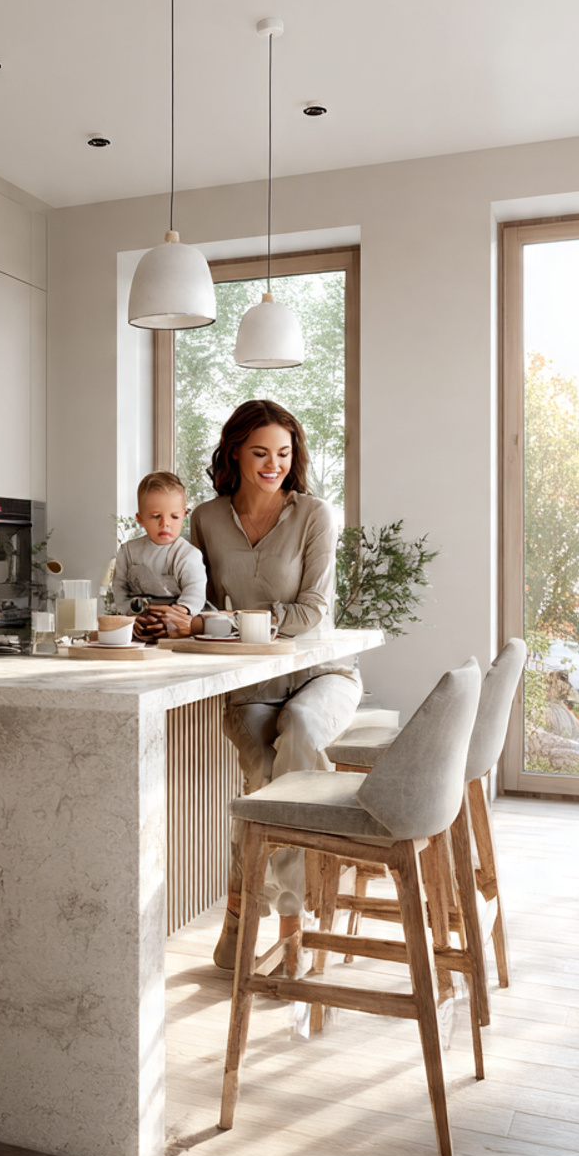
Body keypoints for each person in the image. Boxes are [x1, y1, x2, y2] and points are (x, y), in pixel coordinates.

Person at [136, 400, 360, 970]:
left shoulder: (314, 515)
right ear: (235, 451)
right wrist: (161, 615)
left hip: (321, 675)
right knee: (266, 775)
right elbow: (198, 599)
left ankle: (266, 918)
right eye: (260, 452)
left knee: (302, 727)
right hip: (252, 686)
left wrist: (228, 624)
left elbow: (313, 612)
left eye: (283, 454)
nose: (273, 464)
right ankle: (287, 920)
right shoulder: (206, 519)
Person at [110, 471, 206, 617]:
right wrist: (129, 613)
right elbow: (119, 588)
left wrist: (180, 612)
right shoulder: (128, 551)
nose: (165, 523)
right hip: (137, 619)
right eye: (156, 516)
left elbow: (195, 590)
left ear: (183, 517)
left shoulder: (188, 554)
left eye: (174, 516)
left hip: (175, 621)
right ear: (140, 519)